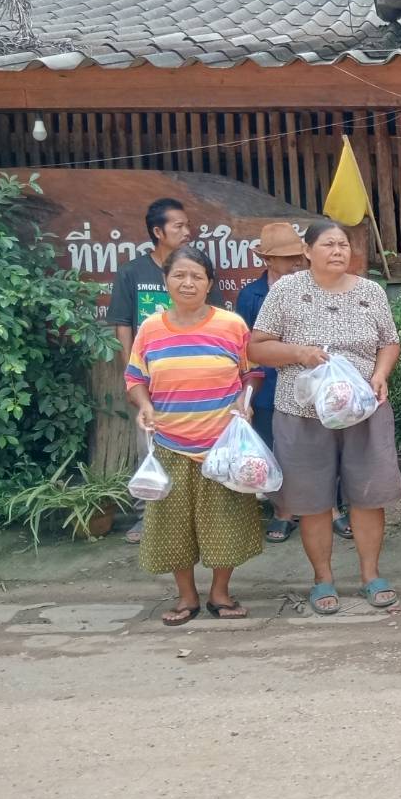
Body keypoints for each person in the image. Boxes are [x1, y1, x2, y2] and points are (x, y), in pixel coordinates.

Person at [249, 220, 401, 615]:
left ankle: (371, 575)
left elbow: (389, 342)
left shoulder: (370, 292)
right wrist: (299, 353)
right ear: (307, 251)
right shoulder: (286, 291)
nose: (338, 251)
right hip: (302, 412)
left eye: (343, 245)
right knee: (312, 500)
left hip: (363, 409)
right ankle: (323, 580)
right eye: (328, 244)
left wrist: (381, 374)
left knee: (368, 496)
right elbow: (257, 347)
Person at [124, 246, 263, 624]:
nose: (188, 283)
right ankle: (186, 597)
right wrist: (144, 405)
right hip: (169, 445)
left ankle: (220, 593)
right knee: (173, 529)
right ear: (166, 280)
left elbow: (252, 372)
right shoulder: (150, 329)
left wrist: (245, 400)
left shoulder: (232, 325)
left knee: (226, 525)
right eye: (179, 275)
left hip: (223, 445)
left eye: (197, 276)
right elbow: (135, 378)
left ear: (209, 283)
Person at [108, 197, 223, 543]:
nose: (187, 231)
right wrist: (133, 379)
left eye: (188, 225)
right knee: (149, 447)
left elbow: (216, 320)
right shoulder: (132, 273)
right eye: (179, 226)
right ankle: (147, 517)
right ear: (158, 232)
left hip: (194, 380)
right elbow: (123, 327)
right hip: (150, 379)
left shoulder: (200, 271)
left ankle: (200, 520)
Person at [235, 223, 307, 544]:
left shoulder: (310, 288)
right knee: (274, 447)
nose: (295, 263)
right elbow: (245, 346)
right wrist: (246, 393)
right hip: (267, 383)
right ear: (267, 260)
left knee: (311, 446)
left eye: (298, 256)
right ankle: (283, 511)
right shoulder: (250, 296)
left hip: (306, 382)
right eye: (288, 258)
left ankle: (327, 507)